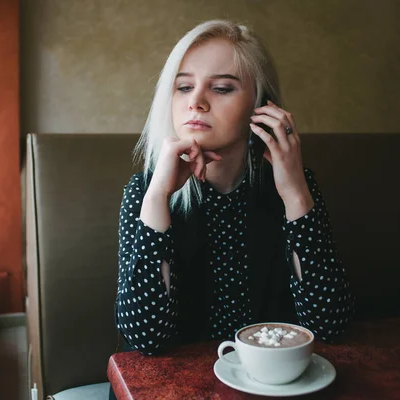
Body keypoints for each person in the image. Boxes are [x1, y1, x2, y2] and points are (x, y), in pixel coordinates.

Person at [114, 20, 355, 358]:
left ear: (261, 107)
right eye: (183, 87)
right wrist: (157, 199)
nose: (196, 101)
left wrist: (295, 193)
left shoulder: (294, 187)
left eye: (222, 88)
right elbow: (144, 339)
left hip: (267, 380)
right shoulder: (144, 192)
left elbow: (330, 325)